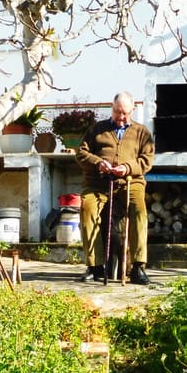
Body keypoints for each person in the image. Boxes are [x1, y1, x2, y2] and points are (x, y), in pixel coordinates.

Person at [75, 91, 154, 285]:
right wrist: (98, 163)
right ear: (112, 108)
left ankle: (138, 267)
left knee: (139, 212)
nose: (121, 117)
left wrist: (126, 168)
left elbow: (147, 160)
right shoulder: (97, 129)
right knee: (87, 209)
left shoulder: (142, 132)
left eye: (125, 113)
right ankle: (95, 266)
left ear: (132, 110)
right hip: (98, 183)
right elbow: (81, 153)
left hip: (130, 182)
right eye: (117, 112)